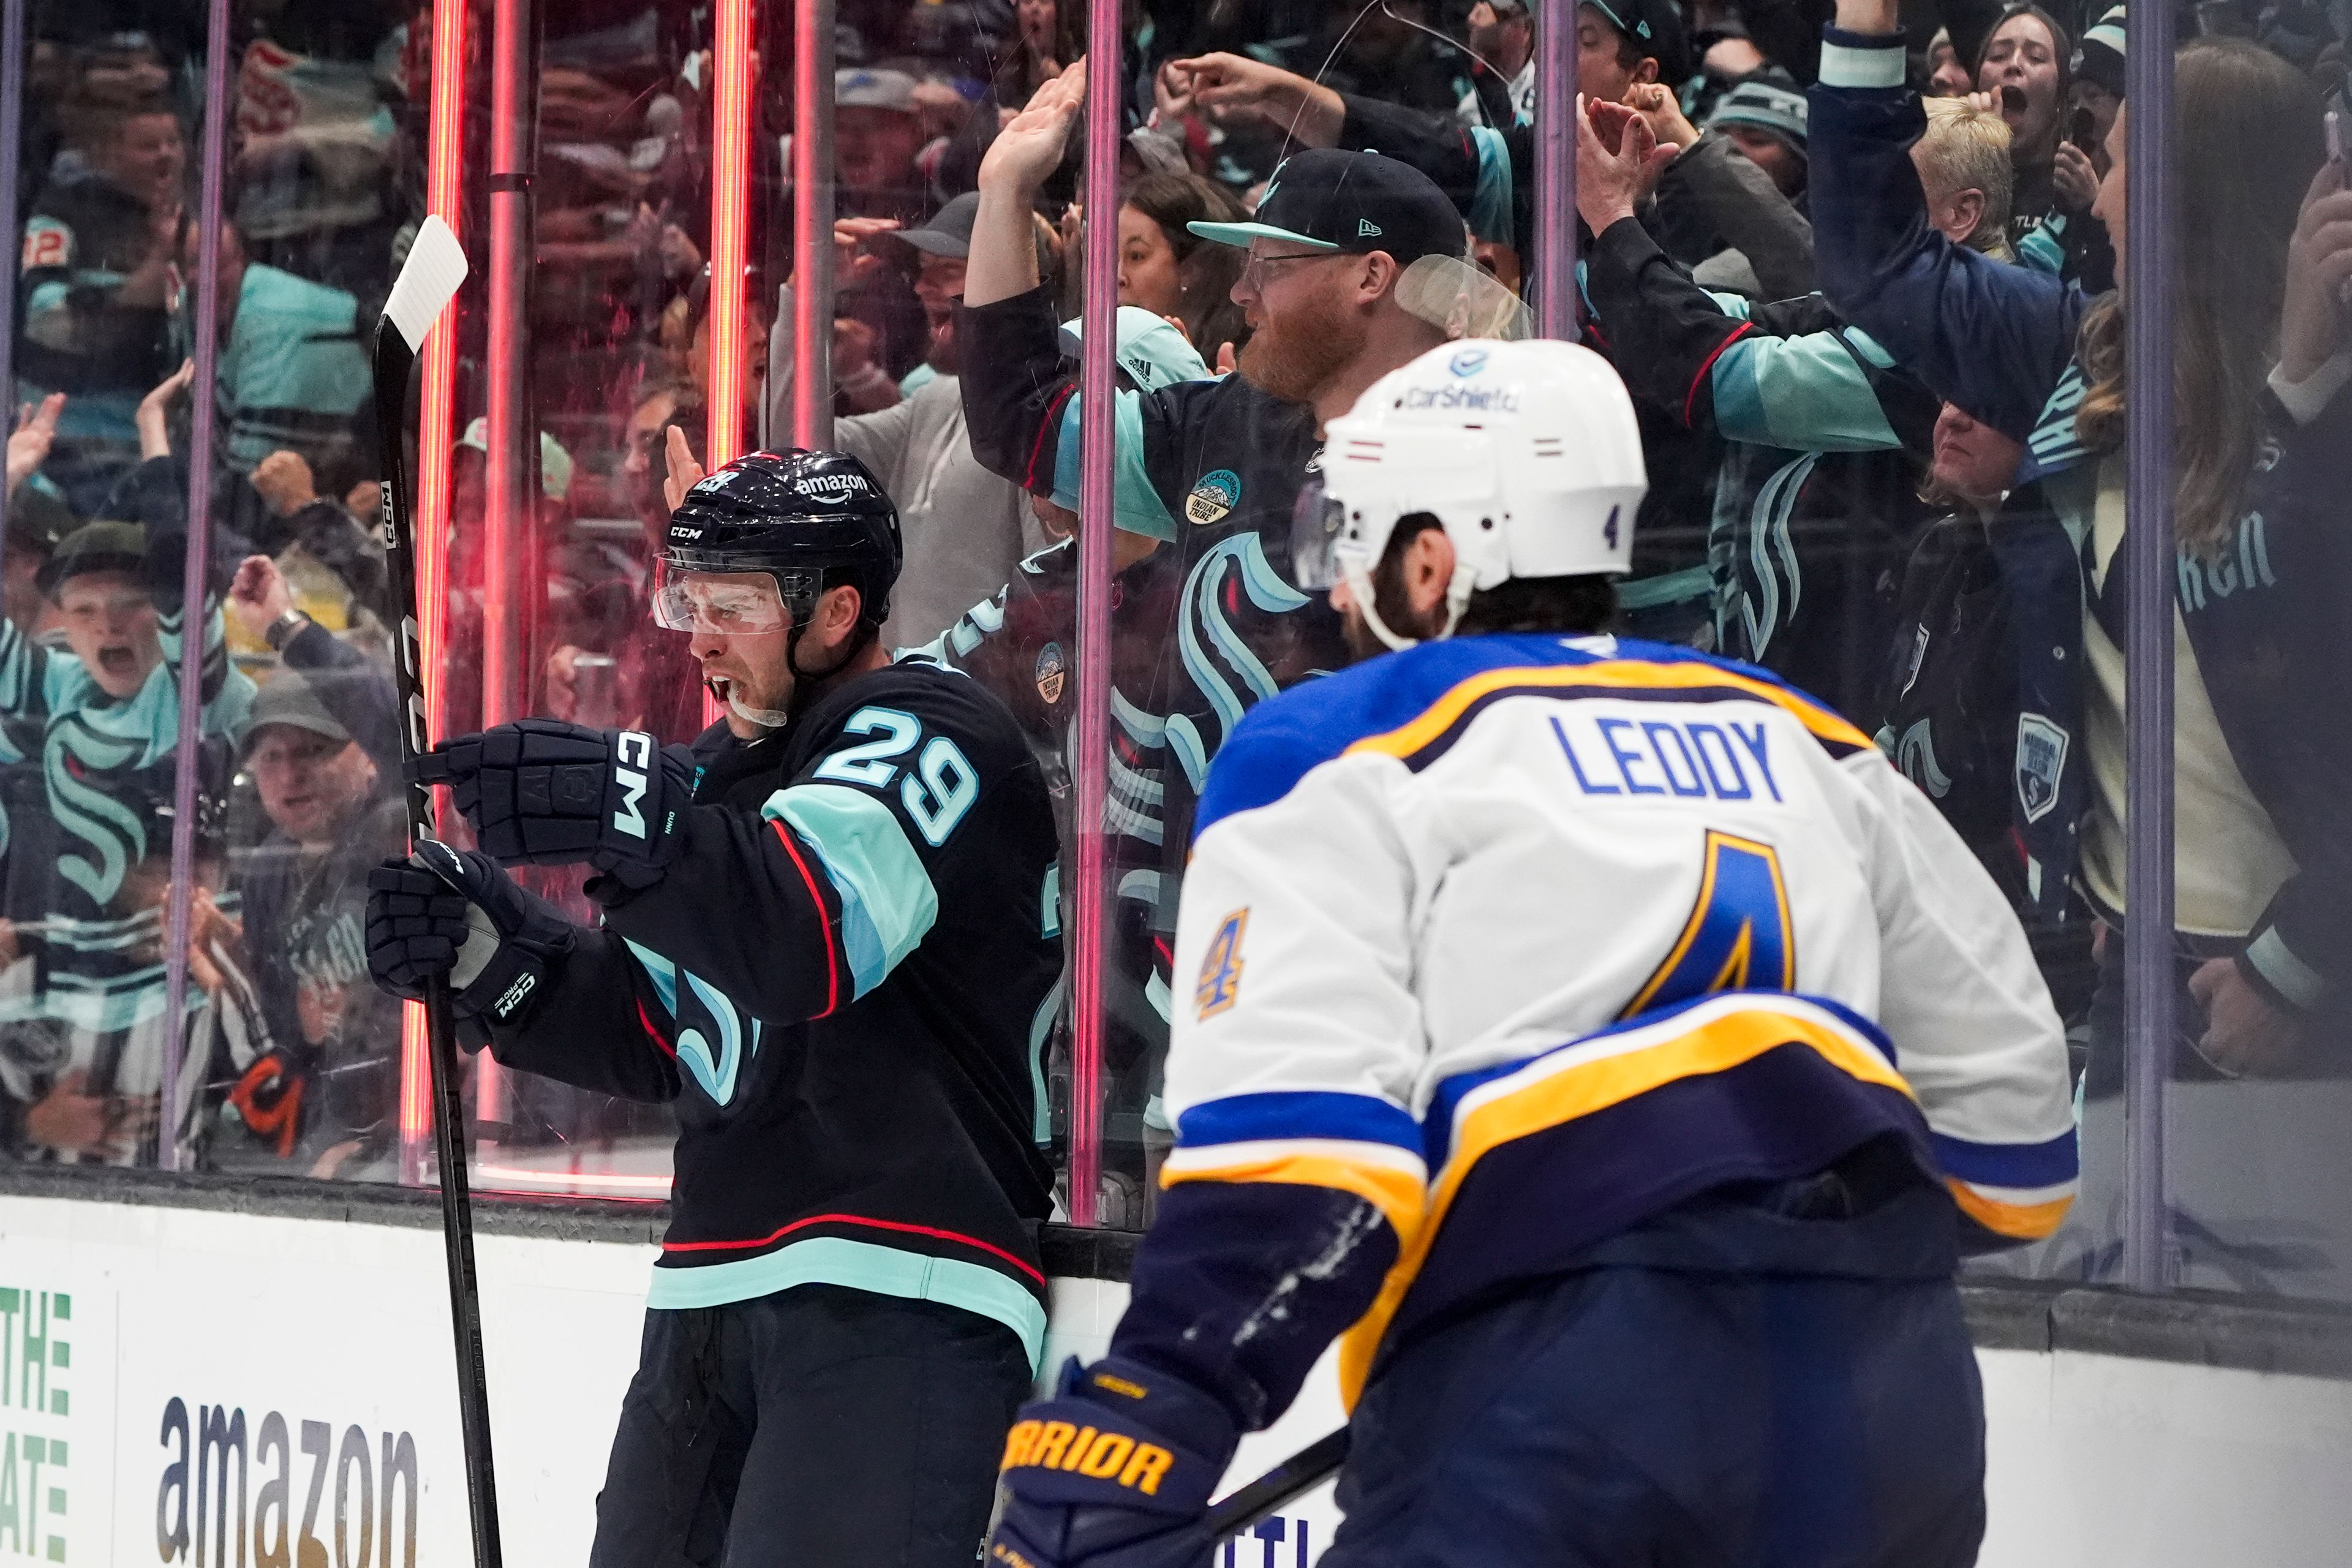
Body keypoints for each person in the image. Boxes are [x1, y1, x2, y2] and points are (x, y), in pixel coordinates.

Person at [984, 337, 2075, 1567]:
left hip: (1558, 1391)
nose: (1336, 589)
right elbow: (2017, 1145)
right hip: (1893, 1398)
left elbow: (1305, 1158)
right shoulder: (1812, 741)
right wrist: (1766, 1259)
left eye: (1353, 542)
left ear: (1432, 560)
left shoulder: (1340, 738)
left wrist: (1153, 1414)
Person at [363, 448, 1060, 1563]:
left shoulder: (929, 730)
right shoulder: (719, 783)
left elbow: (801, 938)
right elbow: (668, 1029)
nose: (699, 637)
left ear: (836, 613)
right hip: (708, 1293)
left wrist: (627, 810)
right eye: (688, 598)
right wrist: (490, 953)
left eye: (732, 605)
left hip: (896, 1284)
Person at [214, 553, 404, 1178]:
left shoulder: (393, 827)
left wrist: (287, 628)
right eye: (271, 756)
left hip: (417, 1120)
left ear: (367, 758)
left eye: (316, 750)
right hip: (327, 1119)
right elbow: (286, 1035)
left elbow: (392, 719)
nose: (291, 773)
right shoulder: (266, 869)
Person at [1115, 172, 1248, 365]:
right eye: (1111, 257)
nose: (1118, 277)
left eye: (1136, 256)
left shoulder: (1237, 371)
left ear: (1193, 269)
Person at [1457, 0, 1537, 129]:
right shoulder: (1469, 110)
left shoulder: (1545, 86)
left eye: (1500, 18)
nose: (1474, 19)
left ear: (1526, 29)